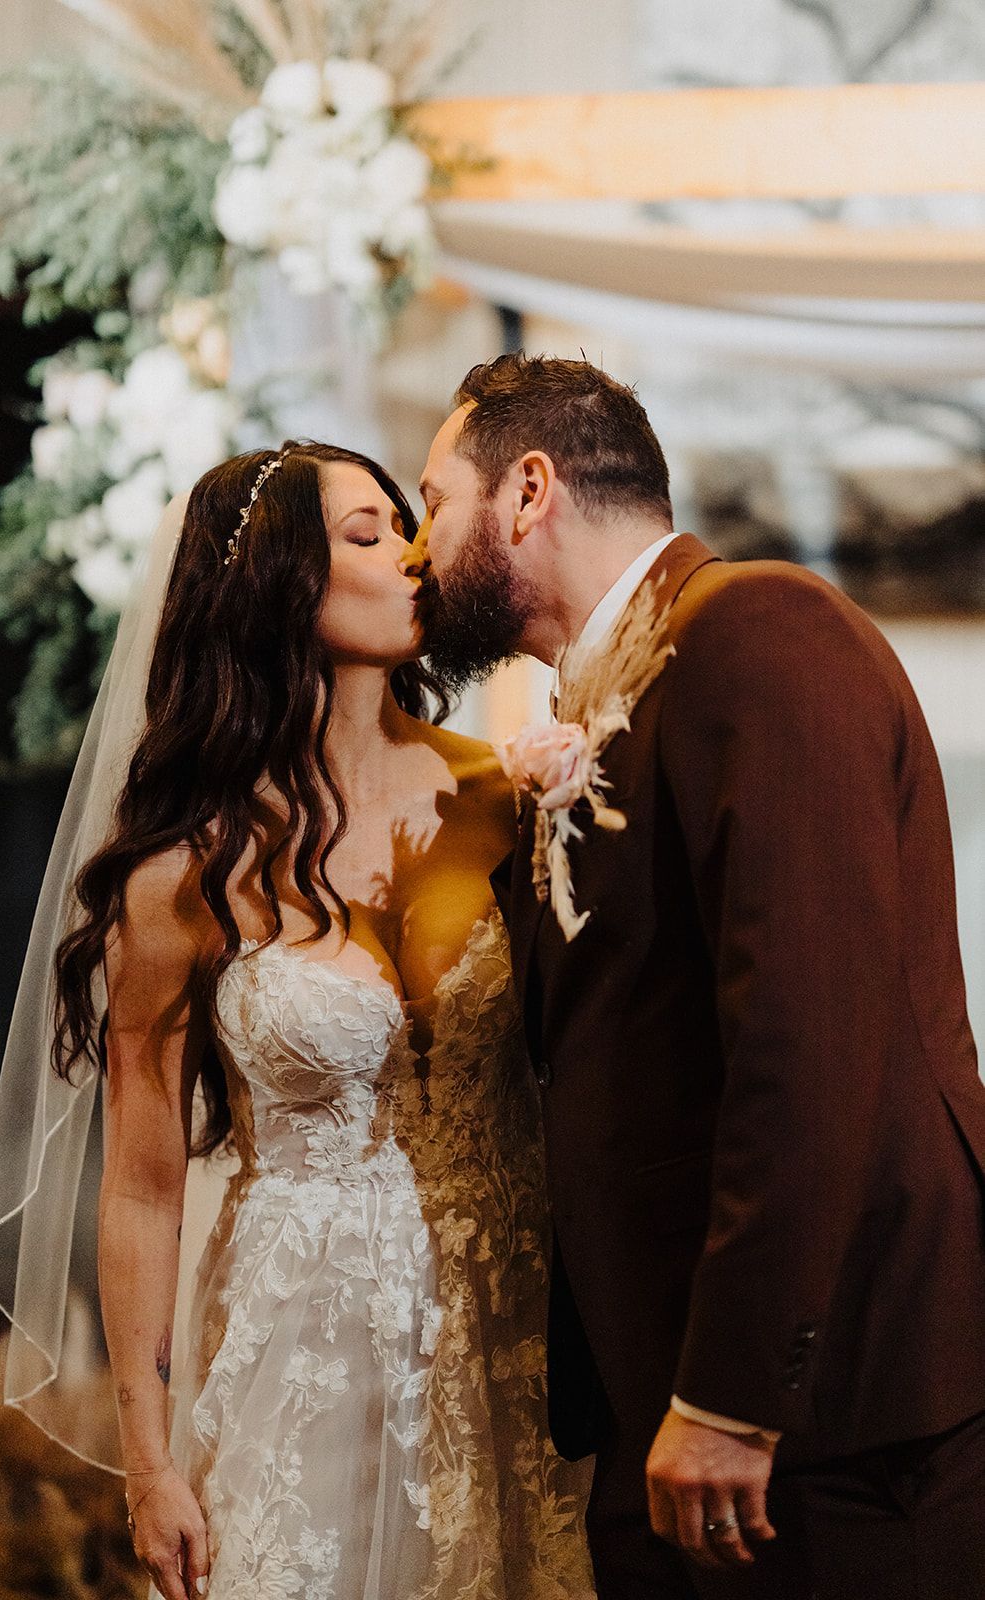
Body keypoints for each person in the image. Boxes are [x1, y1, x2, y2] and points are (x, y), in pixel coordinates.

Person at [0, 441, 595, 1600]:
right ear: (274, 585)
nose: (412, 554)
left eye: (406, 523)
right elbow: (144, 1183)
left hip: (509, 1324)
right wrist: (148, 1465)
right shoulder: (182, 871)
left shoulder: (506, 799)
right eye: (367, 534)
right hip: (304, 1339)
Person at [415, 352, 985, 1600]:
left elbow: (807, 1032)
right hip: (668, 1395)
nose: (417, 551)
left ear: (525, 491)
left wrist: (730, 1392)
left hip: (820, 1420)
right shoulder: (623, 678)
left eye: (429, 502)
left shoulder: (758, 629)